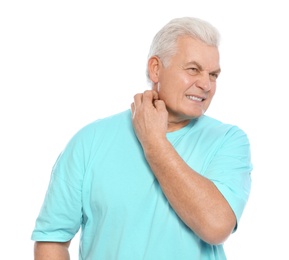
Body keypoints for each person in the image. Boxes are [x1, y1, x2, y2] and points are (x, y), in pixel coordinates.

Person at [31, 16, 252, 260]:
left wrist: (154, 143)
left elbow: (216, 226)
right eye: (193, 69)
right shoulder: (89, 140)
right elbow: (52, 240)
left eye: (213, 75)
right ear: (156, 68)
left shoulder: (229, 141)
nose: (206, 84)